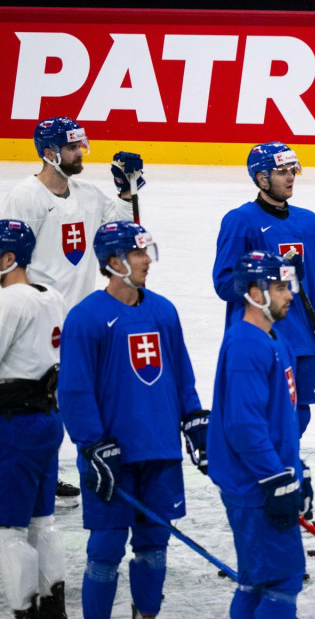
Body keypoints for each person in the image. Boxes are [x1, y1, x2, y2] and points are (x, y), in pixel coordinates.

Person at [57, 220, 208, 619]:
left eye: (146, 251)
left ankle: (146, 615)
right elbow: (74, 391)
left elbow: (180, 374)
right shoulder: (85, 319)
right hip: (111, 457)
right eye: (137, 253)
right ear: (113, 261)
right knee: (105, 550)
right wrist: (91, 444)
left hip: (159, 451)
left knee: (154, 546)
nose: (146, 261)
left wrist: (193, 420)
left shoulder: (163, 311)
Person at [1, 116, 144, 506]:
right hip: (37, 317)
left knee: (73, 396)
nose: (81, 152)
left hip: (80, 318)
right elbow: (9, 254)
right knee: (35, 399)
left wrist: (127, 189)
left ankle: (52, 470)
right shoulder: (25, 197)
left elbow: (126, 232)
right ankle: (34, 469)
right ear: (49, 153)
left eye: (82, 145)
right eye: (72, 147)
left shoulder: (90, 194)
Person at [207, 251, 312, 619]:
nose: (290, 294)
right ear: (254, 292)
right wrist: (275, 476)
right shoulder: (248, 345)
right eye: (281, 286)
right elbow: (244, 424)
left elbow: (275, 421)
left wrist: (295, 469)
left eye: (290, 285)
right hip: (256, 487)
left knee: (256, 581)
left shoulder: (272, 339)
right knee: (281, 583)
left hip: (266, 480)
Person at [212, 142, 315, 437]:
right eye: (281, 171)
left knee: (300, 416)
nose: (290, 177)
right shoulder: (240, 221)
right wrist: (271, 275)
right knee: (266, 418)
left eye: (292, 170)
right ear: (261, 178)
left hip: (303, 340)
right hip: (262, 338)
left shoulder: (308, 221)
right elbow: (224, 284)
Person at [0, 219, 68, 618]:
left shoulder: (10, 301)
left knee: (9, 530)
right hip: (47, 421)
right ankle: (52, 607)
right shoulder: (52, 296)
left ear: (9, 259)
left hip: (14, 426)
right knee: (43, 523)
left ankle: (21, 611)